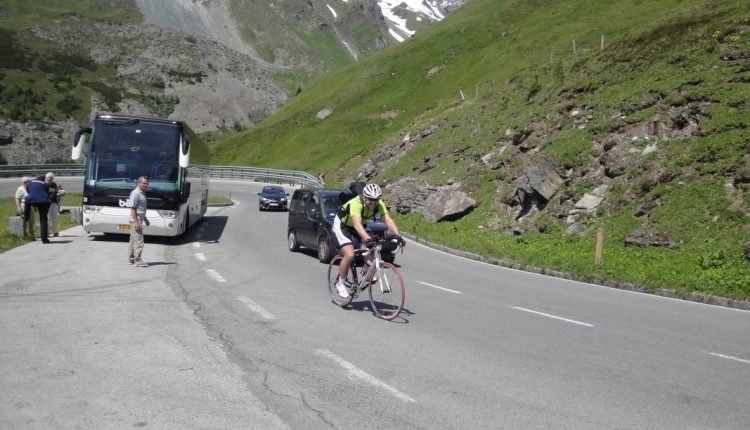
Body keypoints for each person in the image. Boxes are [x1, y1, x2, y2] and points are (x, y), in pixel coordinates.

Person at [331, 183, 405, 298]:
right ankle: (340, 282)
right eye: (371, 199)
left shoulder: (379, 204)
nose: (374, 202)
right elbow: (357, 225)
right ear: (365, 197)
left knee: (373, 247)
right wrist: (367, 239)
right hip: (343, 225)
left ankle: (366, 268)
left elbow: (388, 220)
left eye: (376, 199)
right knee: (350, 254)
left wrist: (398, 236)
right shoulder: (356, 203)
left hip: (360, 225)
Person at [128, 176, 150, 267]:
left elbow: (141, 209)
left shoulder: (142, 193)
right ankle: (138, 260)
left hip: (139, 219)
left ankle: (131, 259)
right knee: (139, 241)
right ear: (139, 183)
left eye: (147, 183)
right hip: (136, 221)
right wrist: (136, 222)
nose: (146, 185)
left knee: (133, 240)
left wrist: (145, 219)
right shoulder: (136, 193)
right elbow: (133, 209)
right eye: (144, 183)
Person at [25, 175, 51, 243]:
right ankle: (44, 239)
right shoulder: (45, 184)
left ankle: (26, 217)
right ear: (43, 179)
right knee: (43, 219)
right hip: (44, 201)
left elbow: (28, 191)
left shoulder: (30, 182)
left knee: (27, 200)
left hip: (32, 200)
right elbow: (47, 193)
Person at [44, 172, 64, 237]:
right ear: (46, 178)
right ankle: (47, 232)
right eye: (48, 179)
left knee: (55, 218)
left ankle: (56, 232)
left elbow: (56, 192)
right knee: (48, 218)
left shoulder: (54, 184)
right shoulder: (44, 185)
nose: (49, 181)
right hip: (47, 203)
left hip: (54, 203)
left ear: (52, 179)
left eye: (51, 179)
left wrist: (59, 193)